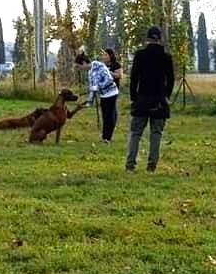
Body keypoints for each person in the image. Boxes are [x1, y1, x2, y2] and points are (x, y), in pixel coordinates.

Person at [126, 26, 175, 172]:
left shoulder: (140, 55)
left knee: (135, 133)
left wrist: (133, 97)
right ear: (160, 38)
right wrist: (166, 95)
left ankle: (130, 164)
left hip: (142, 99)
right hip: (159, 100)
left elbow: (134, 77)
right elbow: (171, 79)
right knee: (156, 134)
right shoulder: (166, 57)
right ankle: (152, 165)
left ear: (147, 38)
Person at [75, 51, 120, 143]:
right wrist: (89, 102)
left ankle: (107, 138)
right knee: (105, 116)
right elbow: (92, 88)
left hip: (111, 93)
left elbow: (108, 79)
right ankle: (105, 137)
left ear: (83, 63)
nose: (80, 69)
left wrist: (98, 87)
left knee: (109, 116)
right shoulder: (90, 72)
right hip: (103, 95)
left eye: (79, 67)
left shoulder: (99, 65)